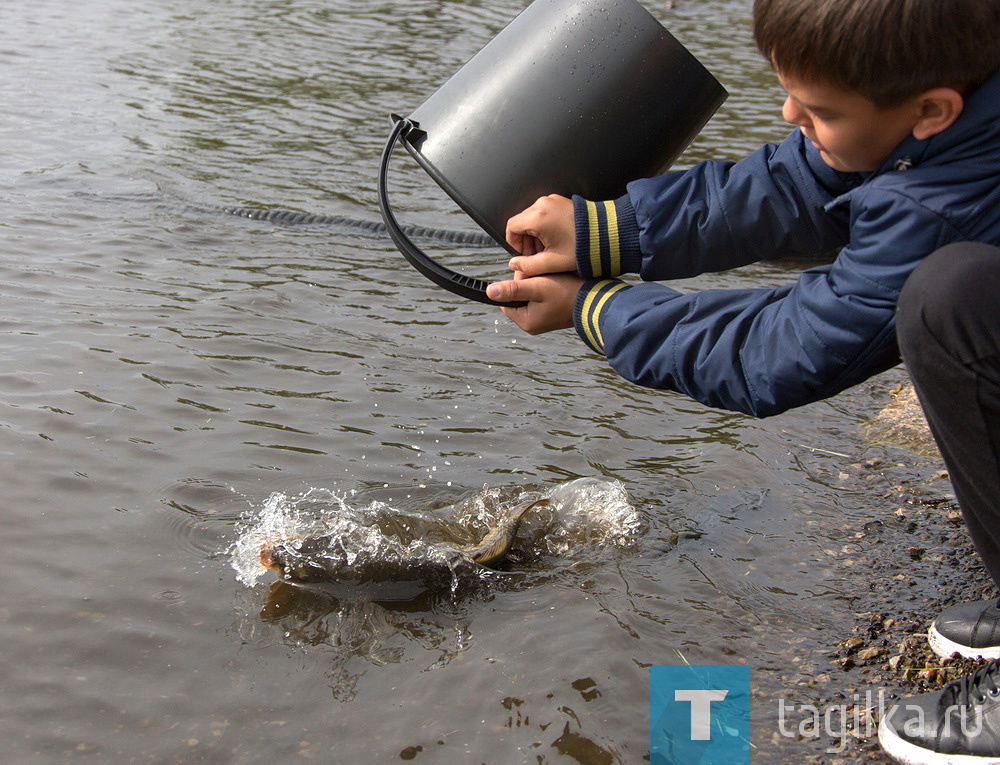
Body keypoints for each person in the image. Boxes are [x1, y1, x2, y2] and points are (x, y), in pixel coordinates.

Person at [484, 0, 1000, 761]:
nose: (790, 112)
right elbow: (801, 181)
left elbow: (782, 352)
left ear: (931, 110)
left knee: (948, 304)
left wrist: (597, 309)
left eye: (818, 109)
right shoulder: (953, 106)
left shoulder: (948, 200)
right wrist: (608, 232)